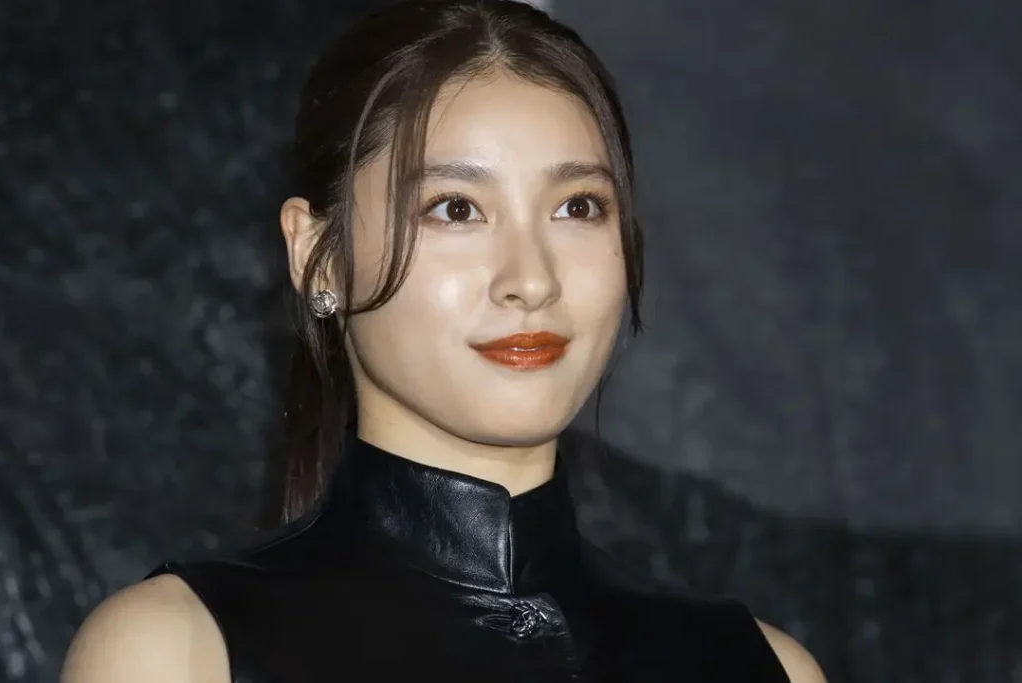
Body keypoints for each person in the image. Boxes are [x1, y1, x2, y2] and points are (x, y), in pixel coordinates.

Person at [61, 1, 827, 681]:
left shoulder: (760, 665)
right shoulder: (176, 650)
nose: (531, 279)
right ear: (319, 258)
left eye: (578, 206)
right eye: (456, 209)